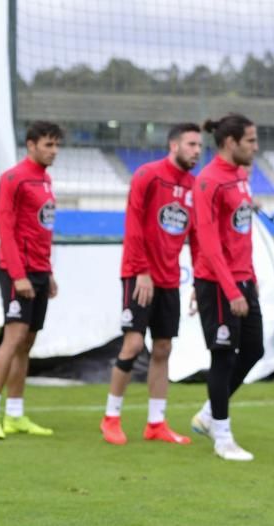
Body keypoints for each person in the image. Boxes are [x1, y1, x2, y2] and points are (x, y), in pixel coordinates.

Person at [100, 123, 202, 446]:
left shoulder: (194, 186)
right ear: (173, 145)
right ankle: (111, 418)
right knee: (132, 345)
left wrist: (199, 278)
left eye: (200, 145)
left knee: (163, 348)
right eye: (191, 144)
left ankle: (156, 423)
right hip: (138, 275)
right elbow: (133, 223)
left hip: (170, 279)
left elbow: (198, 238)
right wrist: (142, 270)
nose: (197, 151)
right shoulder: (148, 175)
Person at [0, 121, 63, 439]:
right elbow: (7, 230)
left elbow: (40, 231)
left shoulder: (46, 180)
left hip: (39, 272)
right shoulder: (13, 179)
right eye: (48, 145)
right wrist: (18, 275)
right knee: (12, 339)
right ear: (30, 145)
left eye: (56, 146)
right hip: (19, 273)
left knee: (27, 343)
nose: (54, 151)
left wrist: (48, 272)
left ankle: (14, 414)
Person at [188, 113, 263, 462]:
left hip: (244, 278)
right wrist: (231, 289)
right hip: (218, 284)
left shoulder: (242, 176)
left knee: (254, 350)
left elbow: (238, 232)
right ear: (231, 142)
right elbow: (208, 242)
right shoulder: (207, 181)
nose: (255, 147)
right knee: (222, 356)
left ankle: (207, 415)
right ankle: (223, 437)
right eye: (250, 140)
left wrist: (249, 278)